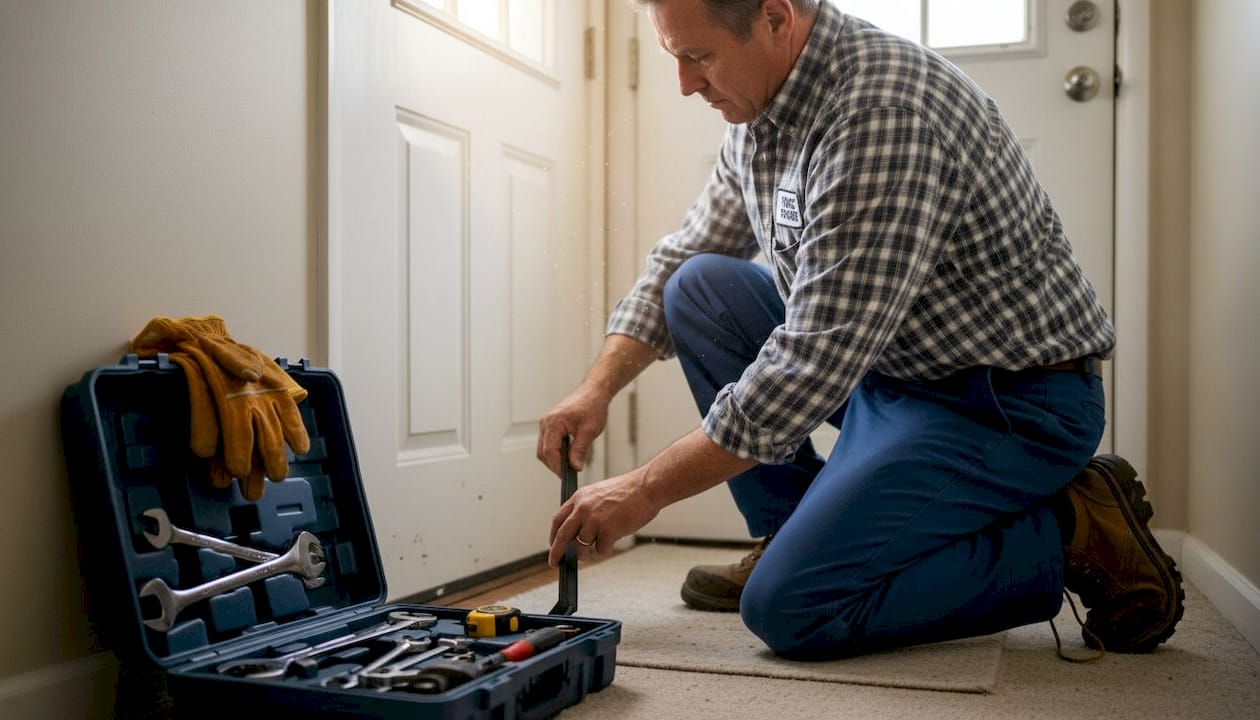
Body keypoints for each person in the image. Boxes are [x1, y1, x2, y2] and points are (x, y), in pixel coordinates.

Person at [536, 0, 1183, 659]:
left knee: (793, 609)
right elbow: (687, 251)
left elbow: (808, 367)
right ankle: (794, 532)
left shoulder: (880, 111)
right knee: (700, 287)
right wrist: (597, 388)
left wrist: (643, 490)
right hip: (894, 373)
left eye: (699, 57)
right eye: (673, 56)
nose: (685, 83)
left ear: (776, 18)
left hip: (1004, 404)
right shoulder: (764, 105)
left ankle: (1070, 528)